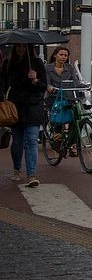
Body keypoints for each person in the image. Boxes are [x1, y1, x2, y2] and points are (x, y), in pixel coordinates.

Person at [3, 44, 47, 187]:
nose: (21, 49)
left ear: (29, 47)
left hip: (33, 106)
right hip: (15, 107)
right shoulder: (8, 63)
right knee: (17, 142)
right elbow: (3, 84)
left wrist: (35, 80)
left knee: (31, 141)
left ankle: (31, 175)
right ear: (14, 47)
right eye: (18, 46)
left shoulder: (37, 63)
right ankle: (17, 169)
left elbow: (44, 86)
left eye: (24, 46)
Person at [44, 46, 82, 156]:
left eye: (65, 55)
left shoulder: (69, 68)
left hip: (67, 96)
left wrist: (82, 86)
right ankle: (57, 138)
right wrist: (49, 87)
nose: (63, 57)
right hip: (53, 97)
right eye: (61, 54)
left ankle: (72, 144)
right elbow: (46, 83)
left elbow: (75, 81)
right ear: (55, 55)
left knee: (76, 117)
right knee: (58, 116)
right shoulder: (48, 68)